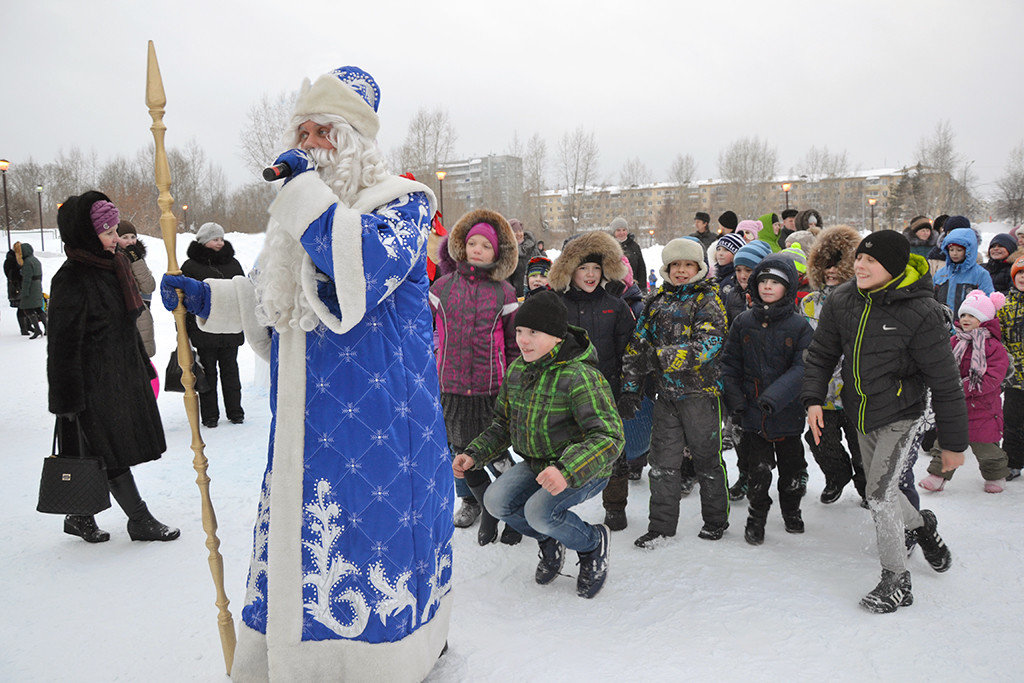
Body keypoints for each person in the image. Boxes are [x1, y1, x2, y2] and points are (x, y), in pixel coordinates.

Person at [161, 66, 451, 680]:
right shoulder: (298, 218)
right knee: (301, 535)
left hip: (381, 420)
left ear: (355, 140)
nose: (313, 143)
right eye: (304, 130)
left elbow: (359, 276)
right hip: (302, 419)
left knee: (369, 535)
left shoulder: (403, 203)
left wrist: (301, 200)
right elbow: (276, 299)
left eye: (327, 131)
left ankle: (379, 664)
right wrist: (210, 299)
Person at [802, 230, 966, 613]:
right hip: (860, 411)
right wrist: (813, 399)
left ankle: (897, 580)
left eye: (870, 261)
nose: (859, 265)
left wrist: (954, 445)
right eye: (859, 257)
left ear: (891, 268)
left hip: (901, 415)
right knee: (884, 492)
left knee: (878, 495)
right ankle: (923, 527)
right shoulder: (843, 299)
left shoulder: (921, 312)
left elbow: (946, 383)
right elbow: (822, 353)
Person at [453, 291, 620, 599]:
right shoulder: (518, 371)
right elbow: (502, 425)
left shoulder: (580, 376)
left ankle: (592, 543)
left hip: (584, 469)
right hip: (538, 463)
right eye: (519, 331)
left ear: (556, 337)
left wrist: (566, 471)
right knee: (495, 500)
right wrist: (474, 454)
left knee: (539, 512)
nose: (523, 340)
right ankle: (550, 539)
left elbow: (609, 437)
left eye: (533, 332)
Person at [49, 192, 178, 544]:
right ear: (86, 235)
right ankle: (139, 519)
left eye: (113, 231)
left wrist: (141, 364)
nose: (114, 239)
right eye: (106, 233)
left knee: (95, 452)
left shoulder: (112, 267)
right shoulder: (72, 278)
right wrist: (67, 400)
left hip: (120, 376)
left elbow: (124, 323)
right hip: (91, 385)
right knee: (110, 450)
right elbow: (61, 346)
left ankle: (78, 515)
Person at [621, 237, 730, 545]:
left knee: (706, 460)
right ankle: (661, 526)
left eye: (688, 264)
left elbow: (707, 345)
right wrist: (630, 388)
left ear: (699, 267)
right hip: (666, 397)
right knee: (663, 464)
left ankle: (715, 519)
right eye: (676, 265)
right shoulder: (656, 302)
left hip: (701, 395)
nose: (682, 270)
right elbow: (636, 346)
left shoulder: (709, 300)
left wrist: (661, 357)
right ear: (667, 268)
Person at [429, 208, 521, 545]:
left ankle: (514, 509)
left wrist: (512, 381)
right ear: (461, 247)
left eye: (486, 245)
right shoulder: (441, 288)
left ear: (497, 252)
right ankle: (481, 507)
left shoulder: (504, 293)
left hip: (490, 388)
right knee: (462, 453)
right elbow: (425, 331)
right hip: (451, 386)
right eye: (472, 243)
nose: (478, 249)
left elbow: (513, 343)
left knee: (495, 453)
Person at [722, 254, 813, 544]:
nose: (768, 287)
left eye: (776, 282)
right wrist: (736, 400)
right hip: (752, 414)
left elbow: (803, 367)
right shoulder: (743, 322)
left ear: (788, 287)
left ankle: (792, 511)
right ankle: (756, 517)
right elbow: (730, 363)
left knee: (792, 472)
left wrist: (775, 397)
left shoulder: (799, 326)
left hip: (786, 413)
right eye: (763, 282)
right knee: (757, 472)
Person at [549, 230, 635, 531]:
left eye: (596, 268)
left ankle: (615, 505)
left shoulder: (616, 305)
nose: (590, 274)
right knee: (561, 449)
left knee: (613, 449)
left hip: (607, 389)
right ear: (570, 270)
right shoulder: (557, 305)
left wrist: (629, 389)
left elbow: (629, 351)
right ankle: (553, 504)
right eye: (583, 267)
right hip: (565, 392)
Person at [919, 290, 1010, 493]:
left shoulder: (994, 347)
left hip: (983, 408)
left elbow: (994, 377)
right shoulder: (954, 342)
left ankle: (995, 475)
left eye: (972, 315)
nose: (966, 319)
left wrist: (964, 386)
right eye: (963, 315)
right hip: (954, 406)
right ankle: (937, 475)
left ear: (985, 319)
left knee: (986, 447)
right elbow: (942, 366)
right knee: (945, 442)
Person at [800, 225, 866, 505]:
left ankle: (867, 487)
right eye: (825, 264)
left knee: (861, 446)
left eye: (838, 263)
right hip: (822, 391)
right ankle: (836, 475)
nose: (831, 270)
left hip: (857, 391)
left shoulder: (864, 303)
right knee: (819, 439)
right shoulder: (809, 304)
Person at [180, 222, 246, 428]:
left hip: (230, 328)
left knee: (231, 371)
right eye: (214, 239)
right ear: (203, 241)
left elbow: (243, 292)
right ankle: (210, 416)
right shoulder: (190, 267)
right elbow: (185, 299)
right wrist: (185, 328)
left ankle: (235, 411)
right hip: (204, 329)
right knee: (207, 372)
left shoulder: (233, 263)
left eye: (221, 238)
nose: (219, 242)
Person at [997, 256, 1024, 481]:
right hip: (1016, 377)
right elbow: (999, 335)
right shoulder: (1005, 306)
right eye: (1020, 274)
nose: (1023, 278)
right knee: (1013, 422)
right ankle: (1012, 462)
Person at [933, 216, 993, 314]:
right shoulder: (941, 273)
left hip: (968, 325)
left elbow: (988, 303)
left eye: (959, 250)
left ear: (968, 251)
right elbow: (932, 299)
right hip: (942, 324)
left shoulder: (980, 274)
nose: (954, 254)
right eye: (951, 250)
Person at [116, 220, 157, 357]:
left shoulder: (137, 258)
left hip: (142, 316)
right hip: (123, 318)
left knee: (143, 362)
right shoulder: (113, 259)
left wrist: (136, 261)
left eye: (133, 237)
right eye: (125, 237)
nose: (130, 241)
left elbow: (149, 287)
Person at [611, 216, 648, 292]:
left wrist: (643, 288)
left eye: (624, 230)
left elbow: (641, 268)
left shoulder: (634, 246)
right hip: (615, 289)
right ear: (614, 232)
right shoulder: (609, 246)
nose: (622, 233)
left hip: (633, 288)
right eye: (618, 230)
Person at [17, 242, 46, 338]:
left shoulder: (27, 263)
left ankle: (37, 330)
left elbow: (27, 279)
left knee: (27, 308)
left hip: (31, 289)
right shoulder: (36, 260)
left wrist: (24, 292)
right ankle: (47, 328)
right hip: (37, 286)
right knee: (38, 308)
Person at [506, 217, 541, 297]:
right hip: (515, 296)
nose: (519, 234)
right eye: (515, 231)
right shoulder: (507, 252)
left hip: (535, 293)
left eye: (520, 231)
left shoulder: (532, 247)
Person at [5, 244, 33, 335]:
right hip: (16, 287)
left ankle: (28, 325)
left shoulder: (17, 260)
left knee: (27, 306)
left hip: (19, 286)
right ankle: (23, 328)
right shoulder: (10, 261)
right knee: (21, 307)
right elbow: (11, 275)